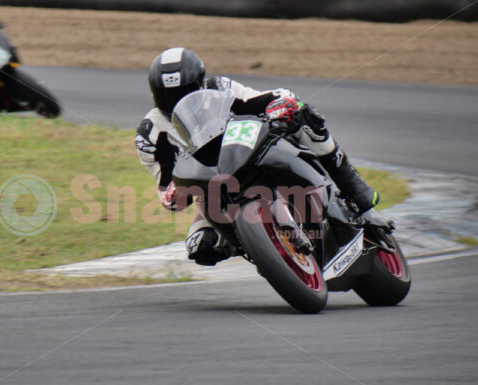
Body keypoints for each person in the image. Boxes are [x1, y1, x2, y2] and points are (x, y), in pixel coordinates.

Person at [135, 47, 379, 266]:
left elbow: (263, 99)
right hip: (216, 189)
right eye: (168, 96)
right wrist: (173, 193)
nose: (178, 101)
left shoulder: (220, 88)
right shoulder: (151, 134)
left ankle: (355, 188)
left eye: (185, 92)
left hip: (252, 151)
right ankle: (262, 248)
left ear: (200, 83)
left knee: (306, 117)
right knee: (201, 246)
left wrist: (280, 103)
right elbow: (167, 189)